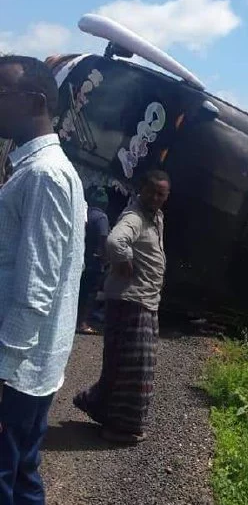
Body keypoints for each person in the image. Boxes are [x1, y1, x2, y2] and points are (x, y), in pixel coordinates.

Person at [0, 55, 86, 505]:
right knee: (22, 475)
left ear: (34, 102)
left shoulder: (45, 176)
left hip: (17, 369)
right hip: (32, 366)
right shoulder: (36, 170)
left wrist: (2, 369)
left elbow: (35, 289)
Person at [73, 170, 170, 445]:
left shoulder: (156, 218)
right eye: (151, 191)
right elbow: (115, 241)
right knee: (135, 370)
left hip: (144, 300)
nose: (155, 197)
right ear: (142, 190)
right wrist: (124, 258)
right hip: (131, 302)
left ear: (166, 196)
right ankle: (120, 428)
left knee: (123, 365)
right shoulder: (134, 217)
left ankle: (100, 408)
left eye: (161, 194)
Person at [77, 185, 110, 334]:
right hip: (95, 261)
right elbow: (103, 237)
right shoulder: (101, 217)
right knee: (91, 293)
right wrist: (104, 257)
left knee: (81, 291)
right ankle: (83, 323)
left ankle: (76, 320)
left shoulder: (85, 214)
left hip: (82, 257)